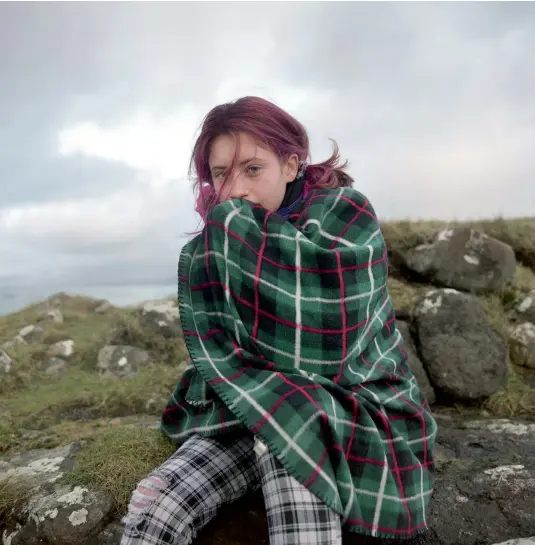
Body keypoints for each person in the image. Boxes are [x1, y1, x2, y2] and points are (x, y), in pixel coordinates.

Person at [120, 96, 437, 545]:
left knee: (293, 431)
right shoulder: (228, 237)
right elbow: (229, 353)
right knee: (157, 505)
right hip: (257, 406)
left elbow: (331, 347)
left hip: (359, 408)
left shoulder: (347, 216)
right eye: (219, 173)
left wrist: (235, 230)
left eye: (252, 169)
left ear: (290, 165)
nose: (234, 190)